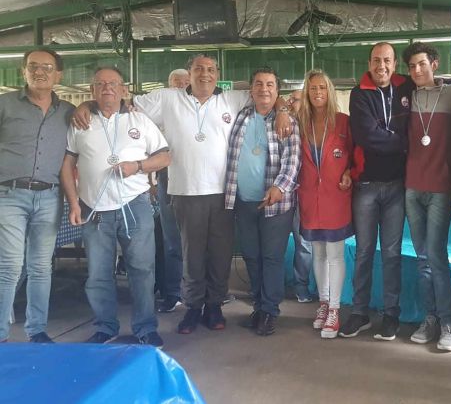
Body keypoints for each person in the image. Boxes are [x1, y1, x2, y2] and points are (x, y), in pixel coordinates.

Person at [72, 54, 291, 334]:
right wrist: (86, 105)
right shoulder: (167, 98)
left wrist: (283, 109)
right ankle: (193, 307)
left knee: (220, 255)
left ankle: (214, 306)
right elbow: (122, 101)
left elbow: (268, 96)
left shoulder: (232, 99)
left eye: (210, 69)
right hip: (185, 192)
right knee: (191, 255)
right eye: (199, 69)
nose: (205, 74)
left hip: (224, 194)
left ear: (217, 73)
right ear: (190, 73)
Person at [60, 67, 170, 347]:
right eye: (100, 84)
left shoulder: (140, 120)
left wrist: (139, 166)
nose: (107, 88)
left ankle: (145, 328)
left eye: (113, 83)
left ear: (123, 89)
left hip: (135, 206)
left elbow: (165, 157)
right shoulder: (81, 122)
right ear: (92, 90)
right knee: (98, 274)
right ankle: (105, 327)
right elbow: (67, 165)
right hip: (94, 209)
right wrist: (73, 203)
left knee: (142, 270)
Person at [339, 42, 415, 341]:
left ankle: (391, 315)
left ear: (394, 64)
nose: (381, 66)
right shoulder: (359, 93)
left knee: (392, 254)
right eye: (376, 60)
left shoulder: (407, 87)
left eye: (386, 60)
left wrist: (390, 138)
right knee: (364, 252)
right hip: (367, 187)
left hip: (397, 186)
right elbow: (366, 137)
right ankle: (359, 313)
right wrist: (404, 142)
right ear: (369, 63)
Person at [0, 49, 74, 343]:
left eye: (47, 67)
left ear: (59, 75)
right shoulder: (5, 104)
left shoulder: (69, 111)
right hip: (9, 194)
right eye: (33, 66)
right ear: (23, 71)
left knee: (41, 267)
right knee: (10, 265)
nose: (39, 72)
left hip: (50, 197)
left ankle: (37, 330)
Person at [226, 68, 301, 336]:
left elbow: (293, 160)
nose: (264, 89)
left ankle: (270, 311)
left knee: (271, 257)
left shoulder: (288, 121)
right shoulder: (240, 117)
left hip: (275, 204)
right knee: (251, 256)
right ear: (251, 90)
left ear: (277, 91)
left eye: (270, 84)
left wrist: (280, 187)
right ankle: (258, 307)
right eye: (259, 84)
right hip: (243, 201)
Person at [402, 42, 451, 351]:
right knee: (422, 258)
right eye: (412, 66)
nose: (417, 70)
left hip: (440, 187)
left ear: (434, 64)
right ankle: (430, 319)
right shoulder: (406, 96)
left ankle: (449, 324)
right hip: (412, 188)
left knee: (437, 256)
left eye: (422, 64)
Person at [296, 70, 353, 339]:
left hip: (335, 196)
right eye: (312, 88)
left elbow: (356, 154)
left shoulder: (343, 122)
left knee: (335, 255)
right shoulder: (301, 122)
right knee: (317, 253)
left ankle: (335, 309)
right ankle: (323, 302)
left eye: (322, 87)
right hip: (309, 197)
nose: (317, 92)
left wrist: (349, 172)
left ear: (329, 91)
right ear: (307, 93)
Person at [156, 68, 190, 313]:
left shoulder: (201, 110)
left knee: (202, 241)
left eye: (184, 83)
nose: (180, 86)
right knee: (172, 240)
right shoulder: (158, 113)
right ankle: (173, 293)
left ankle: (208, 293)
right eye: (175, 83)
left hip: (199, 181)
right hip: (166, 178)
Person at [287, 89, 314, 303]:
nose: (291, 103)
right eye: (290, 99)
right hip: (281, 194)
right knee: (272, 245)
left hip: (305, 195)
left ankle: (301, 286)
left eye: (295, 99)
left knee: (304, 244)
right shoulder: (282, 124)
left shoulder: (314, 128)